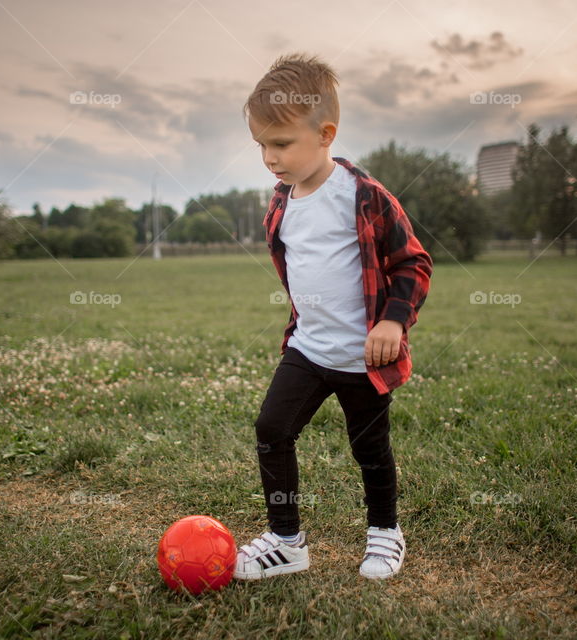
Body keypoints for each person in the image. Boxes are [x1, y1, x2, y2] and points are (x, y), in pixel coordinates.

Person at [234, 52, 433, 581]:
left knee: (370, 448)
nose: (269, 158)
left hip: (362, 356)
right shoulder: (280, 204)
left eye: (280, 144)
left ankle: (385, 532)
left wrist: (393, 322)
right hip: (308, 349)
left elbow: (412, 261)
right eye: (261, 145)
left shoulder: (364, 196)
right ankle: (286, 540)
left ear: (325, 134)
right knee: (271, 429)